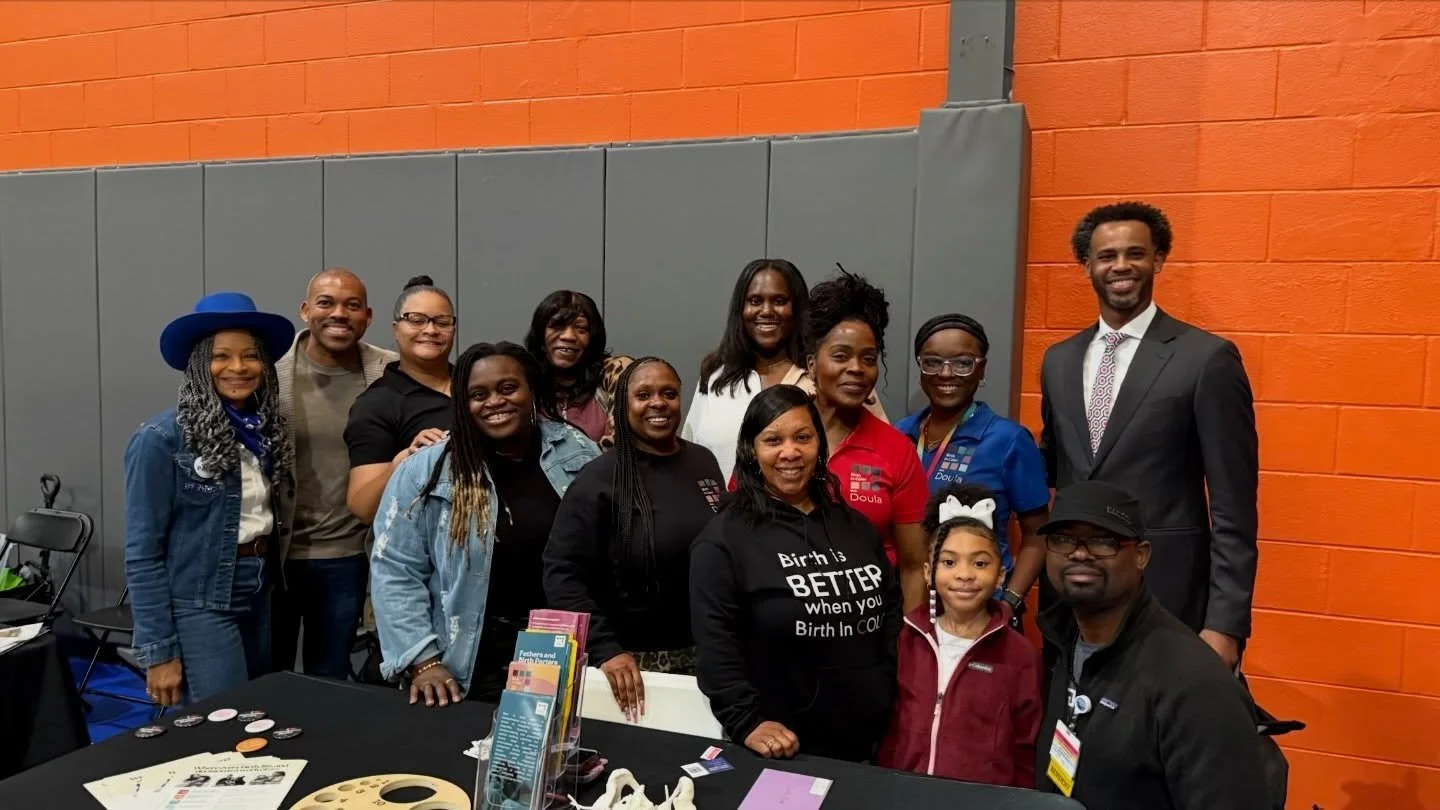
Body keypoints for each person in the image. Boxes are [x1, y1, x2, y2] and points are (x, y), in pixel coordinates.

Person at [1038, 202, 1258, 669]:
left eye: (1135, 254)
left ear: (1158, 259)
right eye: (1107, 256)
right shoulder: (1058, 361)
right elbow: (1055, 467)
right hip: (1072, 600)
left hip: (1167, 596)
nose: (1121, 266)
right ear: (1087, 266)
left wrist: (1225, 625)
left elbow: (1233, 509)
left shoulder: (1206, 359)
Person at [370, 342, 600, 706]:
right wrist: (422, 660)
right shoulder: (427, 471)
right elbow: (395, 569)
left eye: (508, 388)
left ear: (532, 390)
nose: (494, 401)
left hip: (568, 646)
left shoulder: (579, 452)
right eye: (478, 394)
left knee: (566, 754)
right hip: (473, 656)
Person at [690, 385, 900, 763]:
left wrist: (889, 693)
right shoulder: (724, 539)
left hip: (869, 739)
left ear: (819, 443)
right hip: (782, 747)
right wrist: (746, 721)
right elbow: (715, 645)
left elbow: (889, 613)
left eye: (803, 437)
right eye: (773, 440)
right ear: (752, 451)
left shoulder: (854, 526)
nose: (790, 452)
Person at [1034, 480, 1270, 810]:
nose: (1079, 553)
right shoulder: (1063, 645)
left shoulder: (1194, 683)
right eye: (1062, 539)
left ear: (1142, 555)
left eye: (1103, 542)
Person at [124, 292, 296, 706]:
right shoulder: (161, 439)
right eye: (221, 356)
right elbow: (142, 552)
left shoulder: (266, 431)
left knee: (257, 714)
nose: (238, 368)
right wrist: (159, 652)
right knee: (219, 720)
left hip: (259, 589)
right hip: (200, 597)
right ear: (200, 365)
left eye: (251, 356)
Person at [544, 357, 723, 720]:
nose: (658, 403)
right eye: (643, 394)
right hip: (630, 669)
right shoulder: (598, 479)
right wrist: (605, 648)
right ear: (623, 405)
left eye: (669, 393)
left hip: (707, 657)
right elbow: (562, 572)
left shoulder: (703, 462)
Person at [272, 268, 397, 679]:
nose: (339, 313)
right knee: (267, 675)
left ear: (369, 316)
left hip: (347, 556)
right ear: (305, 310)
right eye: (326, 303)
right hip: (276, 556)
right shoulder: (269, 376)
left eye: (352, 305)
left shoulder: (391, 372)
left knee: (330, 676)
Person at [878, 483, 1041, 787]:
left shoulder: (1021, 655)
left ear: (1001, 574)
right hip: (906, 793)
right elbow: (891, 728)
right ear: (929, 572)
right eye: (949, 562)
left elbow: (1025, 746)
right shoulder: (907, 639)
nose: (965, 574)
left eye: (980, 563)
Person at [895, 314, 1050, 622]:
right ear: (920, 368)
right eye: (933, 362)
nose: (946, 373)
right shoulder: (899, 436)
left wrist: (1009, 603)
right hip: (906, 606)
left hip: (979, 611)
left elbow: (1038, 535)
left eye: (963, 363)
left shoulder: (1008, 440)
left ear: (982, 369)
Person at [804, 268, 928, 610]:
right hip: (781, 636)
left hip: (869, 634)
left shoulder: (896, 450)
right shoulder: (773, 438)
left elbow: (915, 566)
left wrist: (906, 649)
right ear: (812, 364)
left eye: (868, 359)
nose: (857, 368)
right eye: (841, 356)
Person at [345, 275, 457, 524]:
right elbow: (362, 507)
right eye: (416, 320)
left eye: (442, 322)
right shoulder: (376, 403)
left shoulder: (474, 385)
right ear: (396, 329)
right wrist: (404, 461)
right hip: (419, 548)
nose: (430, 330)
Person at [524, 290, 631, 446]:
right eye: (557, 326)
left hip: (603, 470)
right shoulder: (525, 379)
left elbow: (623, 446)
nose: (569, 336)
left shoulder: (613, 373)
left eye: (581, 329)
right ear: (540, 334)